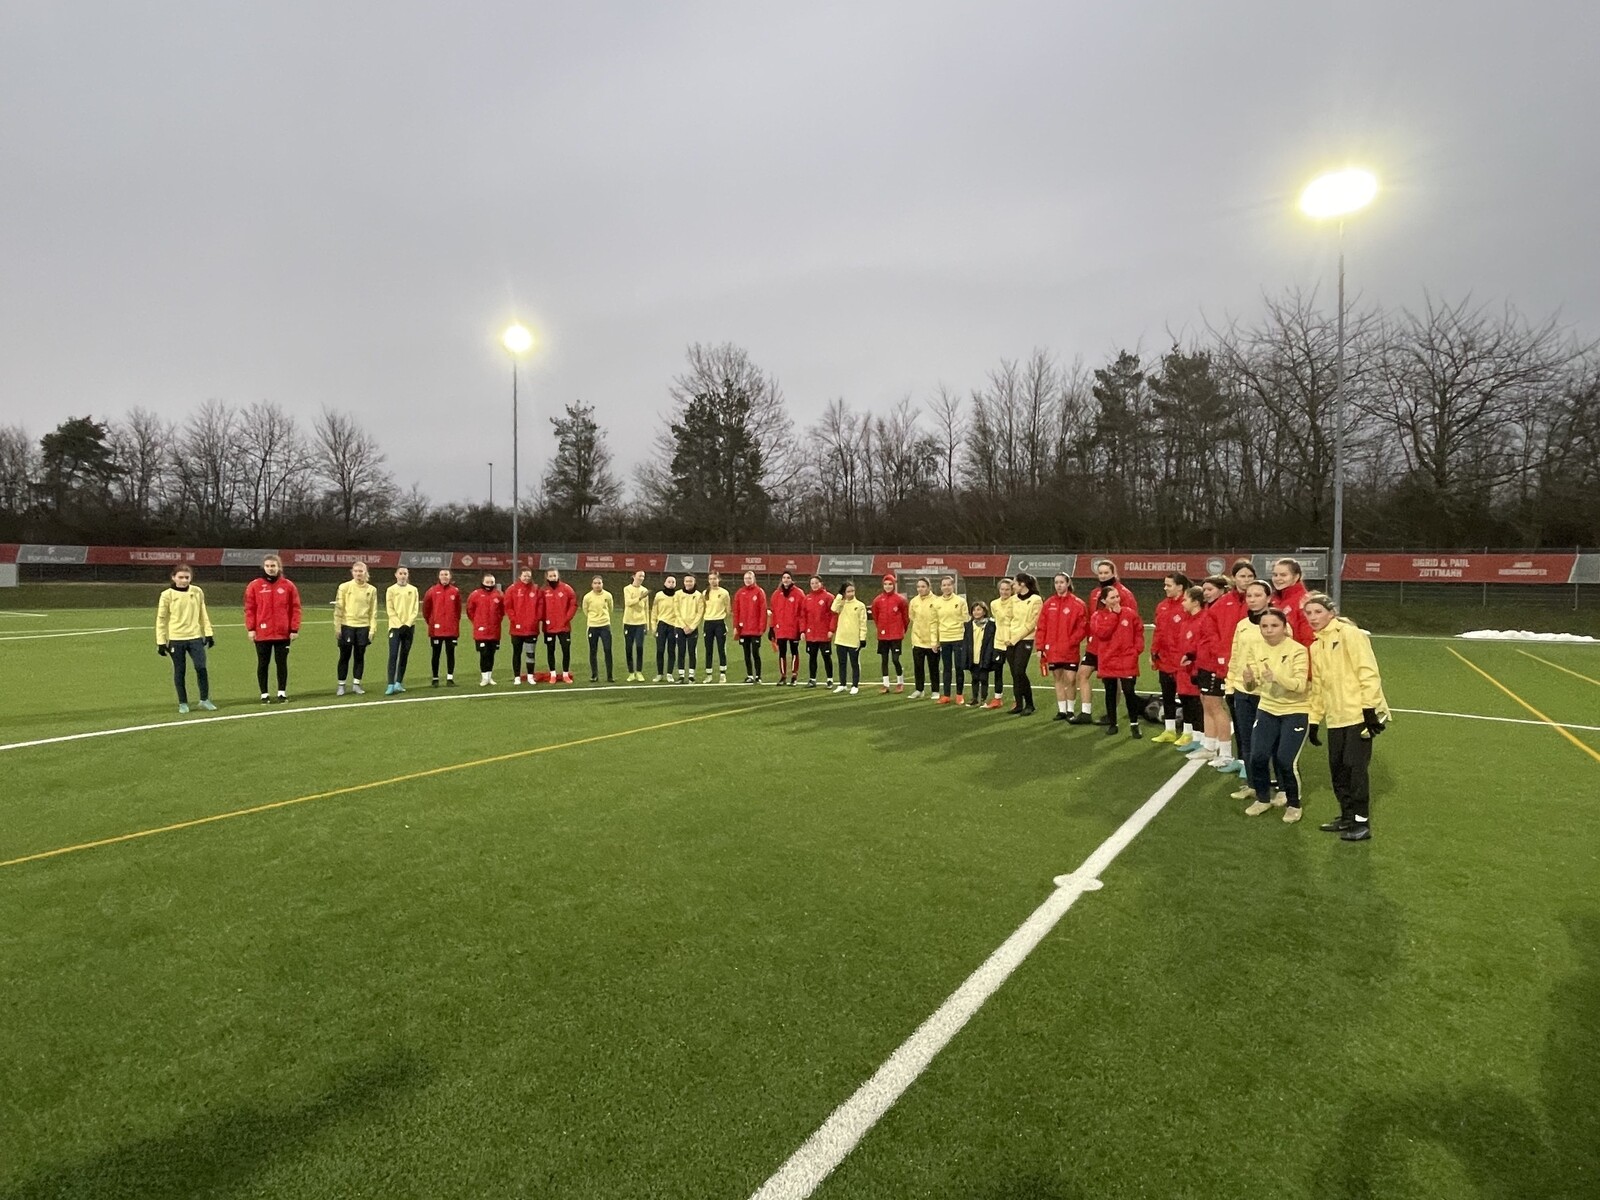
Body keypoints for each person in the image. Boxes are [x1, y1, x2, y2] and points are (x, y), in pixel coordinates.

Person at [1305, 592, 1390, 841]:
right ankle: (1347, 816)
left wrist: (1369, 709)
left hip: (1357, 715)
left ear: (1331, 613)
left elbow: (1368, 671)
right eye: (1308, 613)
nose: (1313, 617)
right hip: (1336, 718)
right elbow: (1319, 687)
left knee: (1355, 770)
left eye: (1318, 612)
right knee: (1338, 770)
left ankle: (1362, 823)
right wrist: (1314, 719)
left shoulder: (1350, 634)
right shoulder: (1316, 646)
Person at [1241, 608, 1312, 822]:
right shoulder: (1256, 648)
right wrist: (1248, 681)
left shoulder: (1298, 650)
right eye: (1264, 626)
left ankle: (1294, 804)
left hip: (1295, 710)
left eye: (1274, 625)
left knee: (1285, 760)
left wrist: (1277, 677)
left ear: (1284, 627)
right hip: (1267, 708)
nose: (1269, 630)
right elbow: (1254, 685)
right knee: (1258, 756)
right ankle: (1263, 799)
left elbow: (1300, 685)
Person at [1222, 581, 1275, 789]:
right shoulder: (1242, 625)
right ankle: (1253, 785)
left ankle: (1279, 786)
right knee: (1246, 740)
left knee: (1269, 743)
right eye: (1249, 596)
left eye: (1258, 595)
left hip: (1267, 693)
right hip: (1242, 691)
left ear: (1268, 598)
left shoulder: (1277, 624)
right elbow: (1235, 657)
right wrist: (1230, 687)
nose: (1252, 600)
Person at [156, 564, 216, 713]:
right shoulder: (167, 595)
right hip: (176, 639)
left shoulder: (197, 591)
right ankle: (183, 703)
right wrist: (161, 641)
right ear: (173, 578)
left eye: (187, 577)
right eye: (181, 577)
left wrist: (208, 633)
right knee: (180, 670)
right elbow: (161, 619)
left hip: (195, 637)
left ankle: (204, 699)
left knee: (201, 667)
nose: (184, 580)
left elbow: (203, 613)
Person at [1089, 585, 1146, 737]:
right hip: (1108, 659)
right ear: (1104, 601)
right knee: (1110, 692)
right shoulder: (1097, 616)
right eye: (1112, 597)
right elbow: (1102, 633)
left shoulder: (1130, 613)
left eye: (1117, 597)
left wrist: (1136, 650)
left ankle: (1134, 724)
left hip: (1127, 659)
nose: (1116, 600)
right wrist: (1114, 615)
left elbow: (1139, 632)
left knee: (1129, 692)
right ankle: (1113, 723)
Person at [243, 553, 300, 704]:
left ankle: (282, 693)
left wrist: (294, 629)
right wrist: (251, 629)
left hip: (283, 633)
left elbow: (295, 608)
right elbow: (249, 609)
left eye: (273, 566)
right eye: (267, 566)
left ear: (279, 567)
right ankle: (264, 694)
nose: (270, 568)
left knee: (281, 663)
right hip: (262, 632)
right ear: (263, 567)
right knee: (263, 664)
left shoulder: (288, 585)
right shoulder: (254, 586)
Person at [1187, 576, 1233, 762]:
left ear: (1222, 590)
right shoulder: (1210, 608)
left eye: (1210, 589)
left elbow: (1222, 638)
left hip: (1215, 664)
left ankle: (1226, 753)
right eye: (1204, 589)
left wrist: (1221, 663)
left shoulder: (1223, 608)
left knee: (1215, 706)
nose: (1205, 593)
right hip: (1205, 662)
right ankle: (1209, 746)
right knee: (1206, 702)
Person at [1039, 573, 1091, 723]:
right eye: (1056, 582)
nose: (1059, 585)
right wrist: (1041, 647)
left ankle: (1070, 710)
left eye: (1062, 582)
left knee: (1071, 680)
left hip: (1069, 650)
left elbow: (1083, 627)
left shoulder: (1078, 604)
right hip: (1052, 650)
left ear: (1068, 583)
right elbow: (1042, 626)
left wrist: (1071, 641)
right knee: (1058, 679)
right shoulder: (1049, 603)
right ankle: (1061, 710)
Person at [1150, 572, 1192, 740]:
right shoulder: (1162, 606)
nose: (1165, 588)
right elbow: (1158, 632)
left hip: (1182, 661)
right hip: (1164, 659)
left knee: (1186, 697)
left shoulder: (1187, 605)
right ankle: (1169, 730)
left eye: (1168, 585)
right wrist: (1153, 653)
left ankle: (1188, 732)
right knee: (1167, 695)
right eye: (1165, 584)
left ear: (1180, 587)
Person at [334, 560, 378, 697]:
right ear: (352, 572)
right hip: (347, 626)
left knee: (359, 656)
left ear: (365, 573)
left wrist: (372, 629)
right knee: (344, 656)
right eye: (356, 571)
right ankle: (341, 685)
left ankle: (356, 684)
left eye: (361, 571)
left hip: (363, 627)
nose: (358, 574)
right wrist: (337, 626)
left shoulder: (371, 590)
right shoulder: (344, 587)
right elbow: (339, 609)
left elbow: (373, 611)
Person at [1006, 572, 1043, 715]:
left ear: (1022, 584)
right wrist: (1008, 637)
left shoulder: (1036, 600)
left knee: (1019, 671)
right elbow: (1009, 619)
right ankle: (1018, 704)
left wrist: (1015, 638)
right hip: (1010, 639)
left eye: (1015, 583)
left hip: (1025, 639)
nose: (1013, 586)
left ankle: (1030, 704)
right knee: (1014, 673)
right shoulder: (1013, 599)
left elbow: (1032, 622)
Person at [1174, 586, 1206, 746]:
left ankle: (1201, 739)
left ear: (1196, 602)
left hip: (1195, 671)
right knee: (1186, 702)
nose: (1182, 603)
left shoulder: (1204, 620)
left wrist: (1192, 657)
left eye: (1185, 599)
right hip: (1183, 671)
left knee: (1197, 706)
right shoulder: (1187, 620)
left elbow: (1202, 646)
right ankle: (1193, 737)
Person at [869, 573, 910, 693]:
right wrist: (881, 628)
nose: (888, 586)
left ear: (894, 585)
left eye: (890, 584)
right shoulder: (877, 600)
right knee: (884, 660)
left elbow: (905, 618)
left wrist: (902, 630)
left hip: (896, 635)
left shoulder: (900, 600)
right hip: (883, 635)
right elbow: (875, 616)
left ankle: (900, 682)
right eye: (886, 584)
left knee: (895, 659)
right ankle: (885, 684)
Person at [930, 575, 967, 705]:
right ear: (941, 587)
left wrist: (966, 639)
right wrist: (934, 641)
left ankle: (959, 694)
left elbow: (966, 620)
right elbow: (934, 623)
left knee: (959, 667)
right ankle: (946, 695)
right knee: (946, 667)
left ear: (953, 586)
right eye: (944, 585)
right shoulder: (936, 603)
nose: (946, 587)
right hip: (944, 639)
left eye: (949, 585)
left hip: (958, 638)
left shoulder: (961, 601)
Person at [422, 568, 462, 687]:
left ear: (450, 577)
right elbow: (426, 610)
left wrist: (454, 623)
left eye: (446, 574)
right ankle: (435, 678)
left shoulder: (455, 591)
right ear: (438, 577)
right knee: (436, 654)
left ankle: (450, 678)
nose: (444, 576)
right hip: (436, 630)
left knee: (450, 653)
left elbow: (458, 610)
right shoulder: (432, 591)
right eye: (442, 574)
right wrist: (431, 622)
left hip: (451, 630)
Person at [504, 567, 543, 686]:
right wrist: (514, 620)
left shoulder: (536, 589)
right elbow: (508, 607)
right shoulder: (512, 589)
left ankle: (530, 676)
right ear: (520, 576)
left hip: (532, 628)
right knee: (517, 653)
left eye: (528, 576)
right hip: (516, 629)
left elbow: (540, 606)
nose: (527, 578)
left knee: (530, 653)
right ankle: (517, 677)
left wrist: (536, 619)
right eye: (525, 576)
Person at [384, 566, 419, 695]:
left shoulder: (413, 590)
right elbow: (390, 609)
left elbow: (415, 609)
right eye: (401, 573)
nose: (403, 576)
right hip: (395, 627)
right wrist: (399, 625)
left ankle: (399, 682)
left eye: (405, 573)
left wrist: (408, 624)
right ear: (396, 575)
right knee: (393, 655)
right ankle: (390, 684)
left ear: (408, 575)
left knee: (404, 655)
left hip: (409, 627)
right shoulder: (391, 590)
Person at [466, 572, 505, 685]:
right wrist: (477, 622)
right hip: (481, 631)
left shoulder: (499, 595)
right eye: (487, 582)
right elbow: (470, 611)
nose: (489, 584)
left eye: (492, 582)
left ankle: (489, 677)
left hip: (494, 631)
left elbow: (502, 611)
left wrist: (496, 621)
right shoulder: (475, 595)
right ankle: (484, 677)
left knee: (491, 654)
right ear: (483, 582)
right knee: (484, 654)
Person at [830, 580, 868, 694]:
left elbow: (863, 623)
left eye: (852, 591)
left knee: (854, 663)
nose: (851, 593)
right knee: (842, 663)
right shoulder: (841, 604)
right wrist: (839, 596)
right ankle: (842, 684)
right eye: (848, 591)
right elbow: (833, 609)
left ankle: (855, 685)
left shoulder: (860, 605)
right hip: (841, 638)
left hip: (853, 639)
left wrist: (862, 638)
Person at [541, 568, 578, 683]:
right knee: (550, 650)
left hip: (564, 626)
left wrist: (566, 618)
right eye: (550, 576)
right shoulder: (543, 590)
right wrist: (543, 619)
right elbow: (539, 607)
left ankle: (565, 674)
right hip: (549, 627)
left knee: (565, 650)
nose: (553, 578)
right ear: (547, 577)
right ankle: (552, 674)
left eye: (554, 575)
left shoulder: (567, 588)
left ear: (558, 576)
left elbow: (573, 604)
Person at [960, 600, 1000, 708]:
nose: (976, 612)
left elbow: (991, 642)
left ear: (984, 611)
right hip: (973, 655)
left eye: (979, 610)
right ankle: (974, 698)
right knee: (974, 678)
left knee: (983, 678)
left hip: (984, 655)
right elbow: (966, 641)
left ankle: (983, 699)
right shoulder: (969, 625)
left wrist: (989, 655)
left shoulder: (990, 625)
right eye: (974, 610)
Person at [1270, 557, 1316, 648]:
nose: (1278, 578)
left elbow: (1308, 637)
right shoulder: (1272, 600)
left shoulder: (1305, 601)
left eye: (1283, 575)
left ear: (1296, 577)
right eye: (1275, 575)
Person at [769, 571, 805, 686]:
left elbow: (802, 613)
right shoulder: (776, 594)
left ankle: (794, 676)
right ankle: (783, 676)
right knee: (782, 653)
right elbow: (773, 613)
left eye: (788, 577)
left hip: (794, 628)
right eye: (784, 577)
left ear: (792, 580)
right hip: (780, 629)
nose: (786, 579)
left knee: (794, 651)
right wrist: (771, 628)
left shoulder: (799, 593)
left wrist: (801, 629)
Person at [907, 576, 940, 699]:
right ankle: (919, 689)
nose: (920, 589)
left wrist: (936, 640)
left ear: (929, 587)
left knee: (933, 667)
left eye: (923, 586)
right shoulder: (914, 601)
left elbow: (938, 620)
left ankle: (935, 691)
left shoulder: (936, 601)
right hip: (917, 640)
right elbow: (912, 617)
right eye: (918, 587)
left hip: (932, 641)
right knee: (918, 667)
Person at [800, 575, 835, 688]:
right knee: (812, 657)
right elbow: (803, 616)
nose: (814, 585)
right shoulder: (807, 598)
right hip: (811, 634)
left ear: (821, 583)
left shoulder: (829, 597)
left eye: (816, 583)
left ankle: (830, 679)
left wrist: (831, 629)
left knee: (826, 657)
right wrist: (802, 631)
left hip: (824, 633)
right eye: (812, 583)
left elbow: (833, 615)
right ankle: (812, 679)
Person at [733, 570, 768, 683]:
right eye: (746, 578)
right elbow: (736, 611)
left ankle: (758, 676)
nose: (747, 580)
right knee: (746, 654)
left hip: (755, 630)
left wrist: (762, 628)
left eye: (749, 578)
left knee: (755, 653)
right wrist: (736, 627)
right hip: (743, 630)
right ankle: (749, 675)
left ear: (754, 579)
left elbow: (763, 611)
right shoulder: (740, 593)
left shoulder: (759, 592)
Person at [987, 577, 1015, 710]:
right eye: (1002, 589)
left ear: (1012, 590)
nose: (1004, 592)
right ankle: (997, 698)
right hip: (998, 643)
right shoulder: (994, 604)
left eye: (1007, 589)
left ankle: (1017, 699)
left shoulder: (1016, 603)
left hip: (1012, 642)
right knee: (997, 671)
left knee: (1016, 672)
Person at [582, 574, 615, 682]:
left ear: (602, 584)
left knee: (607, 650)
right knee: (593, 651)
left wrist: (604, 618)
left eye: (599, 583)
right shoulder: (587, 597)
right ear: (592, 585)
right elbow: (585, 610)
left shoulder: (608, 595)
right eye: (595, 583)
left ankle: (610, 675)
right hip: (593, 626)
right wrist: (593, 619)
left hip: (605, 626)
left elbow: (611, 608)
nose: (597, 585)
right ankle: (594, 675)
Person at [701, 570, 731, 682]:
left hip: (719, 623)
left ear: (719, 579)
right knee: (708, 650)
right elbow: (703, 608)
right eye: (711, 579)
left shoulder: (724, 593)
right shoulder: (705, 593)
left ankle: (722, 674)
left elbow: (728, 610)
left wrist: (723, 621)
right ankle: (709, 674)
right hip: (708, 623)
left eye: (715, 578)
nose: (713, 581)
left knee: (721, 649)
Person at [622, 569, 651, 682]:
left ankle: (639, 672)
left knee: (639, 647)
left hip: (640, 623)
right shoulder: (627, 589)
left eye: (643, 576)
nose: (641, 578)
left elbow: (646, 608)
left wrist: (647, 624)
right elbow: (628, 603)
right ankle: (631, 672)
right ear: (634, 576)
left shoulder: (644, 590)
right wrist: (639, 598)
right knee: (629, 648)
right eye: (639, 576)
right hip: (629, 622)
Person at [677, 573, 705, 682]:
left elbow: (700, 612)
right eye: (686, 581)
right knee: (681, 651)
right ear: (684, 582)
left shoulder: (699, 595)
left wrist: (692, 626)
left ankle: (691, 676)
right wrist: (683, 626)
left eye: (690, 581)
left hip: (693, 628)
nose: (688, 583)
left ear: (694, 582)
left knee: (692, 651)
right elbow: (676, 611)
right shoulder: (678, 594)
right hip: (680, 627)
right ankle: (681, 676)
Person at [652, 575, 681, 682]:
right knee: (660, 650)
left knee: (671, 650)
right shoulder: (659, 595)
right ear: (665, 583)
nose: (671, 584)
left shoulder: (678, 596)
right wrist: (654, 626)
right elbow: (654, 612)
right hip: (662, 625)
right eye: (669, 581)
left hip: (673, 626)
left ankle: (669, 674)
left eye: (673, 582)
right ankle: (659, 674)